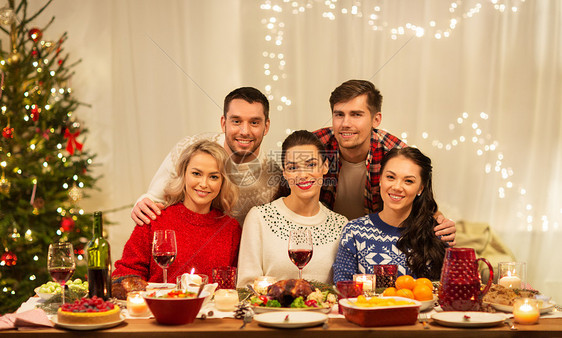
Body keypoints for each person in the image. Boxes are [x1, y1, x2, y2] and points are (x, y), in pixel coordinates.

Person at [313, 79, 456, 244]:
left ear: (376, 120)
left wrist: (441, 222)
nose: (345, 124)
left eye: (356, 114)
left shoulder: (395, 155)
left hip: (375, 243)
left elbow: (420, 199)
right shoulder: (315, 148)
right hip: (322, 240)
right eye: (339, 114)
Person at [131, 87, 281, 226]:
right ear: (223, 123)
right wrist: (142, 205)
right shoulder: (189, 149)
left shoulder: (274, 177)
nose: (244, 131)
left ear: (266, 127)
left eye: (254, 122)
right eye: (236, 121)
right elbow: (153, 201)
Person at [113, 140, 241, 282]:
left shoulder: (231, 229)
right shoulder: (154, 220)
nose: (204, 184)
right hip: (158, 304)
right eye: (196, 174)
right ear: (183, 174)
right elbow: (125, 274)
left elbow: (233, 286)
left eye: (213, 177)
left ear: (223, 182)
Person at [237, 130, 348, 287]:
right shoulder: (259, 218)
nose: (302, 175)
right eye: (293, 167)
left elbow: (341, 290)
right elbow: (246, 286)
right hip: (271, 311)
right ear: (285, 173)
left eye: (311, 165)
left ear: (325, 167)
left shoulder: (340, 224)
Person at [333, 147, 448, 282]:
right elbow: (342, 287)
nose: (397, 187)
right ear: (380, 179)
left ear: (420, 189)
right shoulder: (354, 231)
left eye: (408, 181)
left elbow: (447, 290)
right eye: (390, 177)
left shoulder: (436, 232)